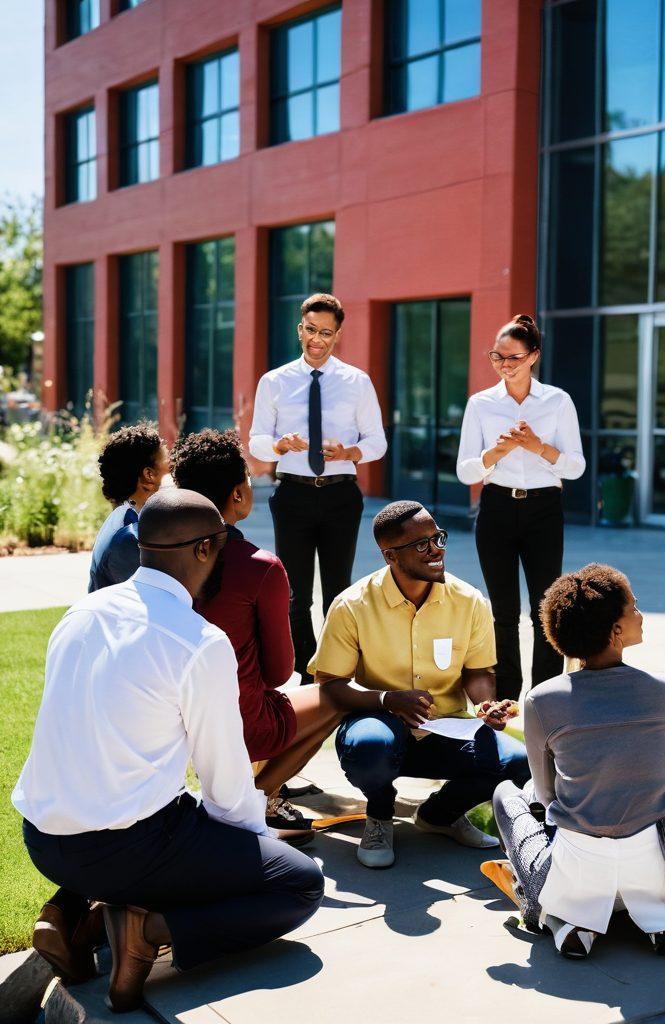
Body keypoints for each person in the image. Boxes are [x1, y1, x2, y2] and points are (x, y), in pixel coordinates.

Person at [13, 490, 323, 1011]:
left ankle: (69, 913)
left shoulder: (81, 612)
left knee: (156, 822)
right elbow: (223, 783)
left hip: (43, 839)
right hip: (126, 848)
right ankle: (148, 931)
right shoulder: (199, 640)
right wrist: (253, 850)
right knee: (299, 883)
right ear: (204, 550)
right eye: (223, 544)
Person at [492, 563, 665, 960]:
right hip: (663, 867)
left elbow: (545, 793)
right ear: (616, 631)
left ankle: (568, 918)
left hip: (580, 866)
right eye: (634, 607)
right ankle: (663, 920)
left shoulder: (542, 699)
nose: (641, 614)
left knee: (508, 793)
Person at [309, 500, 530, 869]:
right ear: (390, 555)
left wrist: (484, 705)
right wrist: (387, 699)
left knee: (518, 763)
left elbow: (477, 672)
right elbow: (330, 682)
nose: (436, 550)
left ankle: (439, 816)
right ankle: (379, 815)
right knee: (369, 748)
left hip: (448, 727)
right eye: (422, 545)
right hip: (378, 723)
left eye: (438, 538)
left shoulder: (469, 601)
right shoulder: (352, 605)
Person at [171, 429, 351, 836]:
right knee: (338, 695)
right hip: (236, 722)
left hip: (169, 714)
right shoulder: (260, 566)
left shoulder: (156, 554)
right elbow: (277, 672)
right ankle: (257, 797)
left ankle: (248, 796)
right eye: (250, 479)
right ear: (237, 494)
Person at [248, 292, 387, 684]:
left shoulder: (356, 382)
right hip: (292, 493)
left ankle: (335, 671)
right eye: (310, 329)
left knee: (338, 591)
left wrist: (351, 452)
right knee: (294, 594)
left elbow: (378, 441)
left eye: (326, 332)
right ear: (300, 329)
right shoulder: (274, 382)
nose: (317, 339)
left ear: (337, 334)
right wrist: (278, 446)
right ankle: (307, 674)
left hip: (341, 494)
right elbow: (256, 439)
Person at [456, 314, 585, 701]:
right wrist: (496, 452)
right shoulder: (480, 404)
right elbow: (465, 471)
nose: (505, 365)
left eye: (513, 357)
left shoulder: (557, 401)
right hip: (495, 507)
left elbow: (576, 466)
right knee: (503, 611)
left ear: (533, 356)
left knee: (546, 607)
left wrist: (537, 446)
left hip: (544, 509)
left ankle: (546, 693)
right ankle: (506, 695)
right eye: (498, 357)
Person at [89, 423, 167, 591]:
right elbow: (152, 595)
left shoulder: (126, 517)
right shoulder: (129, 534)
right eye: (168, 464)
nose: (172, 469)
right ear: (149, 475)